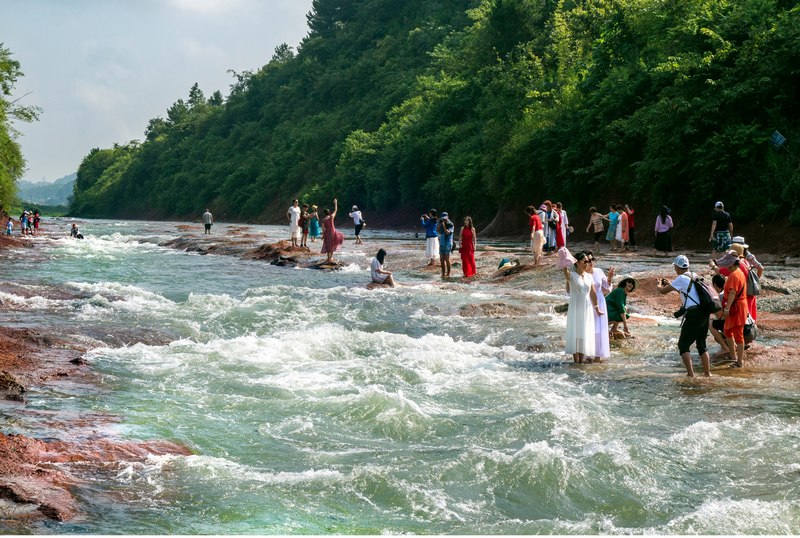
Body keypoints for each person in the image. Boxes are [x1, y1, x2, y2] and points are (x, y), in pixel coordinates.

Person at [657, 255, 711, 377]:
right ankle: (707, 374)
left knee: (683, 345)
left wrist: (658, 285)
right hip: (704, 313)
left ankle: (690, 374)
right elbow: (687, 292)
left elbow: (663, 291)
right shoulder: (694, 275)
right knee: (701, 344)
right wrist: (671, 284)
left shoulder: (681, 278)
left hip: (694, 314)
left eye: (675, 267)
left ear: (677, 267)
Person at [563, 251, 601, 364]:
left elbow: (593, 294)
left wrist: (597, 308)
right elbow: (564, 268)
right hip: (575, 308)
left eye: (588, 261)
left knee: (585, 333)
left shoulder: (589, 277)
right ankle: (576, 362)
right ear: (578, 262)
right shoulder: (571, 275)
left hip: (587, 308)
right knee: (576, 333)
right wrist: (565, 255)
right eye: (585, 261)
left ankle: (581, 361)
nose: (587, 263)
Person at [716, 250, 748, 368]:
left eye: (728, 265)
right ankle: (733, 356)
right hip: (737, 305)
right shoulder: (738, 273)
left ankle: (739, 361)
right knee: (727, 331)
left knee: (738, 334)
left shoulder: (734, 275)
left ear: (732, 264)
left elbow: (732, 293)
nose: (726, 268)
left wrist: (727, 309)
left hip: (736, 307)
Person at [587, 253, 613, 362]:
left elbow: (606, 286)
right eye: (588, 260)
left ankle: (598, 356)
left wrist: (610, 277)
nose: (591, 262)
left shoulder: (598, 271)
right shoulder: (581, 274)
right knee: (588, 328)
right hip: (587, 301)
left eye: (592, 259)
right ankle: (587, 354)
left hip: (600, 301)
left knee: (599, 329)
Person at [709, 274, 731, 361]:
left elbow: (720, 316)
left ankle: (725, 348)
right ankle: (732, 346)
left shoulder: (720, 296)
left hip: (730, 322)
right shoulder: (726, 292)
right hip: (739, 321)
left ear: (714, 285)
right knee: (717, 335)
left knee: (710, 324)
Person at [321, 198, 344, 263]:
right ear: (329, 212)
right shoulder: (331, 216)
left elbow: (323, 229)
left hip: (327, 232)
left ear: (324, 213)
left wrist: (323, 235)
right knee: (332, 244)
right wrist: (336, 203)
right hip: (332, 231)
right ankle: (330, 258)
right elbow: (336, 210)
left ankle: (328, 258)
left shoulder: (323, 220)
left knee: (328, 244)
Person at [437, 211, 455, 277]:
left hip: (448, 243)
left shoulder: (451, 224)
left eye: (445, 218)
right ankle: (443, 273)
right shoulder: (441, 222)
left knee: (447, 259)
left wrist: (444, 227)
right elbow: (437, 230)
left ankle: (448, 273)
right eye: (443, 218)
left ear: (448, 217)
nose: (444, 219)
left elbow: (448, 232)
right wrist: (439, 223)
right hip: (442, 242)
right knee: (441, 258)